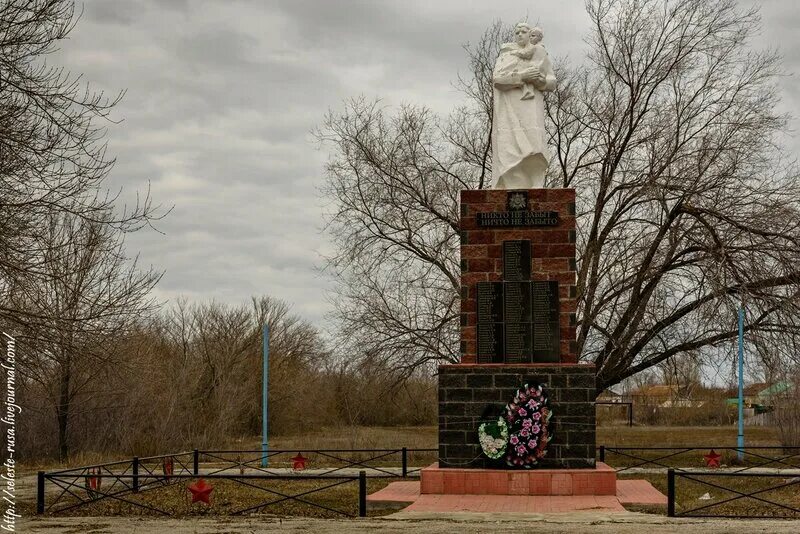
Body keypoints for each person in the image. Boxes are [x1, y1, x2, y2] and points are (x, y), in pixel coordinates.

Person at [491, 23, 556, 189]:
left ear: (530, 34)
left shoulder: (539, 52)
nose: (520, 34)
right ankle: (511, 184)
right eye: (517, 32)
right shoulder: (507, 55)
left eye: (524, 32)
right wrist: (522, 76)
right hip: (510, 111)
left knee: (535, 146)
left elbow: (551, 82)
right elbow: (498, 80)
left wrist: (540, 81)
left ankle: (535, 184)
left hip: (531, 110)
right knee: (509, 148)